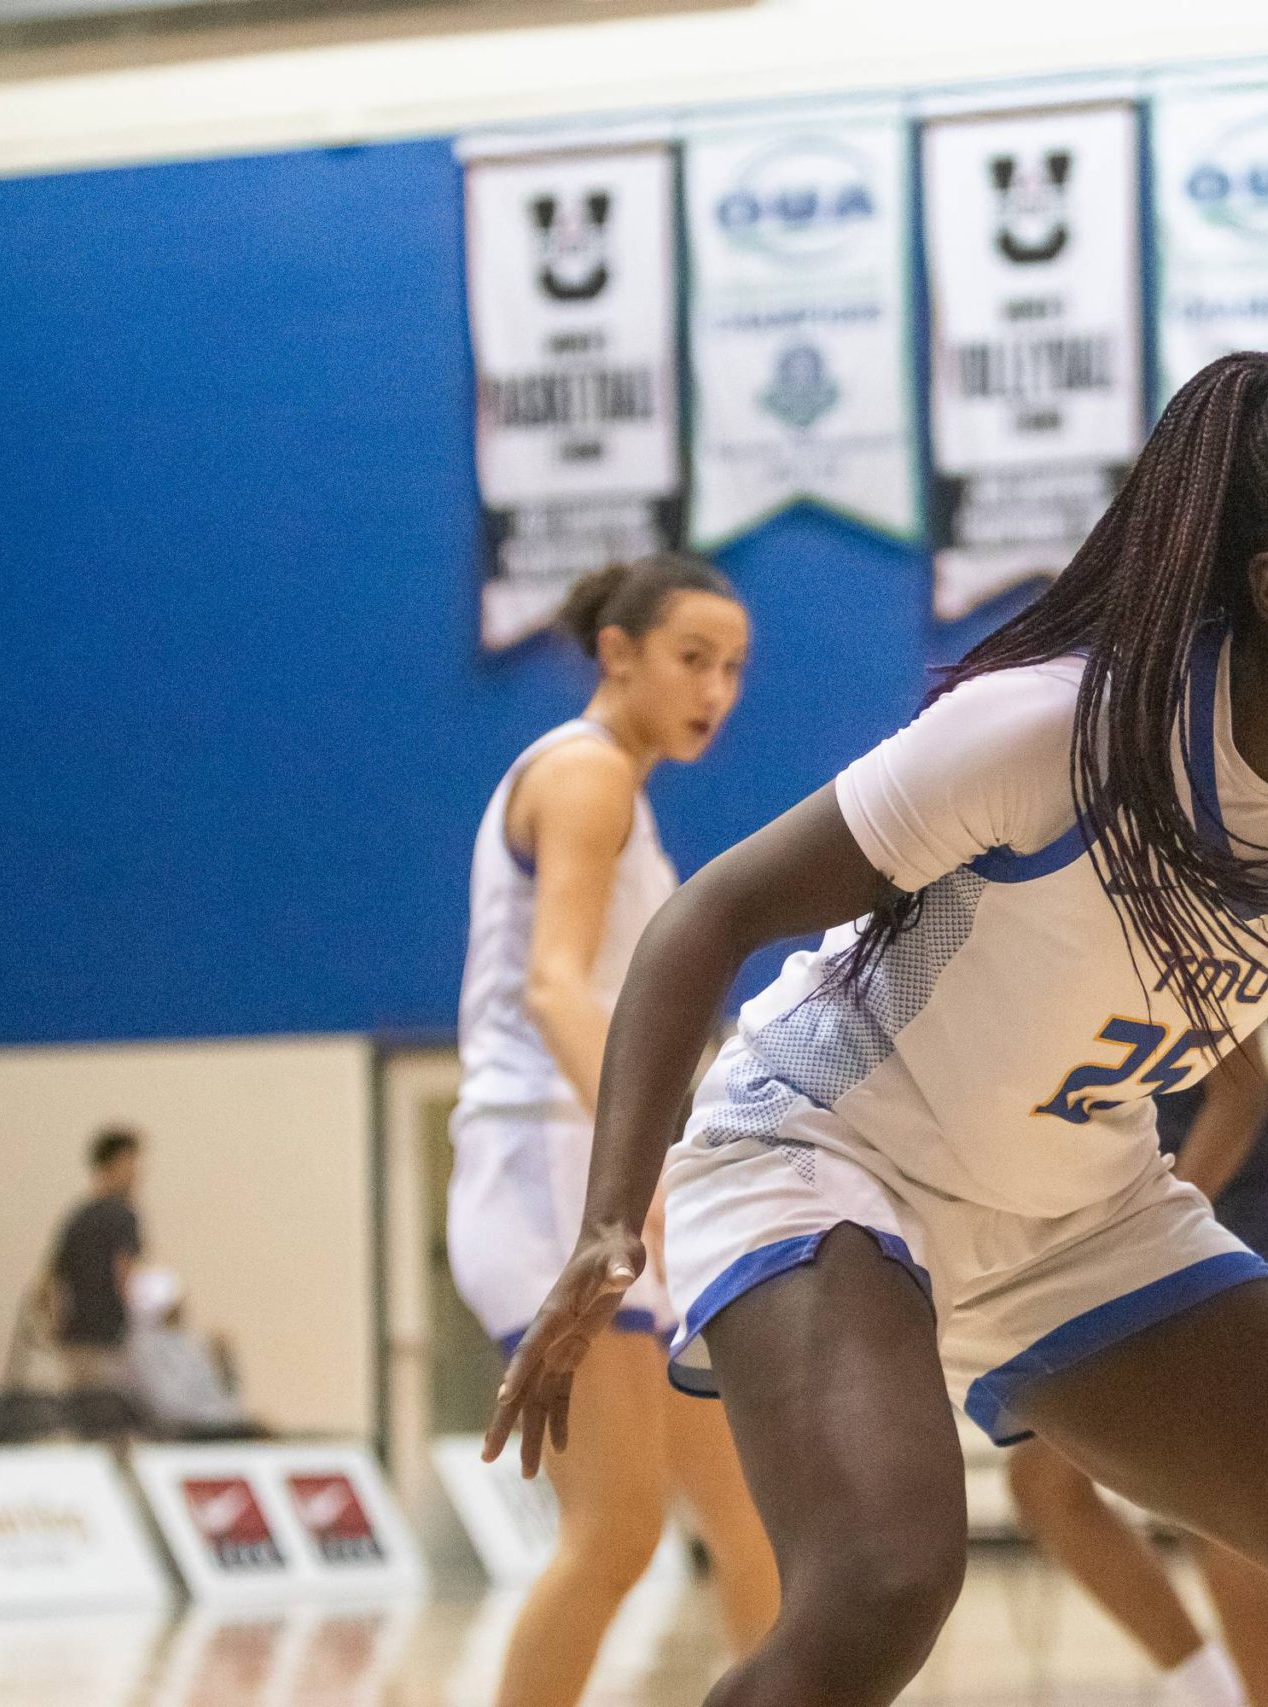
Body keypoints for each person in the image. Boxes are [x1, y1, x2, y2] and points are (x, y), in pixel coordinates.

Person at [488, 352, 1268, 1707]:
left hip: (1075, 1208)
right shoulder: (1057, 730)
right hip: (817, 1152)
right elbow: (708, 915)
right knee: (884, 1576)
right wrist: (609, 1214)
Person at [451, 552, 780, 1707]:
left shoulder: (618, 791)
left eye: (734, 668)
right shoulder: (586, 775)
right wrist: (640, 1170)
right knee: (618, 1534)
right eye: (694, 660)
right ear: (618, 654)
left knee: (756, 1526)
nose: (716, 691)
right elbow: (554, 990)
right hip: (545, 1161)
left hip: (585, 1162)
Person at [1003, 1042, 1268, 1707]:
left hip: (1232, 1190)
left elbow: (1241, 1097)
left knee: (1220, 1487)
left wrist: (1153, 1234)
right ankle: (1210, 1690)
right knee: (1044, 1481)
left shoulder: (1161, 940)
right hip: (1111, 1214)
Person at [39, 1127, 144, 1392]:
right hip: (110, 1342)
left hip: (74, 1342)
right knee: (113, 1421)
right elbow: (126, 1280)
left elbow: (47, 1284)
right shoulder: (123, 1216)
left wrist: (59, 1329)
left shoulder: (76, 1217)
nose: (136, 1174)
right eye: (130, 1163)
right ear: (113, 1164)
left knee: (86, 1419)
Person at [124, 1266, 264, 1440]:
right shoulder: (142, 1348)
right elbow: (167, 1406)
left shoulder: (189, 1343)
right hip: (181, 1431)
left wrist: (225, 1365)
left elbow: (221, 1397)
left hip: (210, 1423)